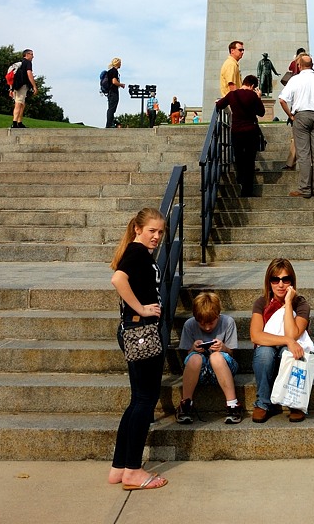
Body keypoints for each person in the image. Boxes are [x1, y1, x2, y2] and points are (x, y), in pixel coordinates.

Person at [108, 208, 168, 491]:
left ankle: (119, 467)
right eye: (151, 231)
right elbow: (118, 280)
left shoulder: (137, 252)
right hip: (142, 332)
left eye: (160, 232)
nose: (156, 236)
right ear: (138, 229)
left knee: (137, 400)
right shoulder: (136, 252)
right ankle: (133, 470)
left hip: (134, 332)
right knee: (145, 400)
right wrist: (142, 308)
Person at [249, 258, 313, 423]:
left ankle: (295, 403)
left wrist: (288, 303)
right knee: (264, 353)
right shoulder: (261, 303)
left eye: (286, 279)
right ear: (269, 282)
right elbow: (256, 336)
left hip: (287, 349)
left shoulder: (301, 304)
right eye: (275, 279)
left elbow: (293, 334)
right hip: (269, 350)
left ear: (292, 281)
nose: (280, 284)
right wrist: (287, 340)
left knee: (290, 352)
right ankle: (263, 403)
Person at [176, 291, 241, 424]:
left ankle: (233, 405)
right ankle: (186, 404)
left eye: (211, 323)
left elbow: (232, 353)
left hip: (223, 367)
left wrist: (223, 348)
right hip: (198, 369)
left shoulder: (228, 322)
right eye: (202, 323)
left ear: (218, 315)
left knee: (216, 357)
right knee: (195, 359)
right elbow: (186, 355)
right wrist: (193, 349)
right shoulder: (189, 325)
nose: (207, 327)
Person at [279, 53, 314, 198]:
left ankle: (305, 189)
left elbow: (282, 99)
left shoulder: (295, 80)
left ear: (299, 66)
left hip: (301, 116)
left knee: (304, 154)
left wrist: (290, 115)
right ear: (312, 66)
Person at [216, 74, 266, 197]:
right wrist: (258, 97)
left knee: (239, 157)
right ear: (253, 85)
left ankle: (239, 179)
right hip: (251, 131)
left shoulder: (232, 94)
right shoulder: (253, 95)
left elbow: (219, 105)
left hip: (237, 131)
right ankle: (247, 190)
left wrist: (218, 101)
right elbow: (261, 113)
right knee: (249, 160)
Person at [10, 48, 37, 128]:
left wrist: (11, 89)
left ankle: (19, 122)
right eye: (31, 54)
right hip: (22, 86)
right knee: (18, 103)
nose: (33, 56)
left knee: (22, 104)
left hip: (16, 86)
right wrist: (34, 86)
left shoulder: (21, 63)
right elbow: (29, 73)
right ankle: (15, 123)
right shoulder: (28, 62)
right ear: (27, 54)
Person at [105, 58, 125, 129]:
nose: (121, 64)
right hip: (113, 92)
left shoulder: (110, 71)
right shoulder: (114, 71)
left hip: (110, 92)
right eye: (120, 63)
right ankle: (109, 124)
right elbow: (114, 81)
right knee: (112, 109)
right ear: (117, 63)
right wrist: (121, 84)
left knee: (111, 108)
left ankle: (110, 123)